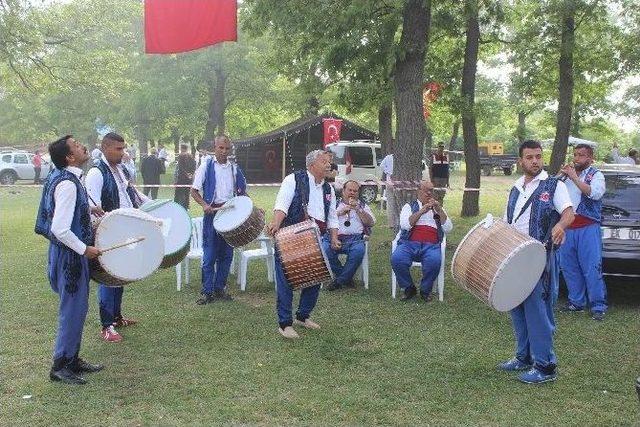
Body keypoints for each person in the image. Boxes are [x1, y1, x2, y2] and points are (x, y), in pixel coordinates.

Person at [498, 139, 574, 384]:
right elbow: (508, 222)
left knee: (538, 311)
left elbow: (569, 213)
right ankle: (524, 357)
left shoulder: (554, 186)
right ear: (521, 161)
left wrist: (561, 226)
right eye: (529, 157)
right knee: (517, 306)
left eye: (538, 156)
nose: (534, 161)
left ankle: (545, 366)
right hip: (515, 257)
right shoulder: (515, 188)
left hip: (540, 257)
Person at [34, 135, 104, 384]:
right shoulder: (68, 183)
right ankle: (60, 366)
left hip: (66, 254)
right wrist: (85, 249)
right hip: (71, 257)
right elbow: (60, 229)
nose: (82, 146)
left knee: (77, 309)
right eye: (76, 145)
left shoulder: (66, 177)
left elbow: (63, 211)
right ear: (69, 157)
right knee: (72, 311)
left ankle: (72, 359)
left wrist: (88, 209)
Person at [265, 150, 339, 339]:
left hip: (316, 238)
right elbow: (282, 205)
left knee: (315, 276)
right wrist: (276, 224)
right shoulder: (293, 179)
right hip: (291, 236)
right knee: (286, 280)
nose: (328, 164)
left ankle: (302, 316)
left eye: (329, 161)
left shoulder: (328, 189)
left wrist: (334, 237)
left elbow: (332, 218)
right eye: (324, 161)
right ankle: (284, 324)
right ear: (311, 165)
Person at [85, 132, 149, 343]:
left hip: (125, 230)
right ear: (105, 148)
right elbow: (88, 206)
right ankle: (106, 326)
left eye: (124, 148)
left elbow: (133, 196)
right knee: (108, 278)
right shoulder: (96, 173)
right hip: (107, 233)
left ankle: (117, 317)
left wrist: (152, 207)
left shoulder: (121, 170)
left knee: (120, 276)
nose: (123, 153)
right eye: (118, 149)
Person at [191, 135, 247, 304]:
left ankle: (219, 288)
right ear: (214, 148)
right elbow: (194, 191)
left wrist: (249, 207)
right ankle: (207, 291)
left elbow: (242, 193)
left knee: (226, 254)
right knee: (209, 255)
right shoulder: (205, 167)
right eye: (221, 148)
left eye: (227, 148)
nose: (224, 151)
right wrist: (204, 204)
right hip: (212, 214)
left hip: (230, 215)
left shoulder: (235, 169)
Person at [558, 144, 608, 320]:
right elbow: (552, 191)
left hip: (588, 227)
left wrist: (574, 178)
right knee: (569, 267)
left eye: (582, 155)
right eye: (576, 155)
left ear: (590, 158)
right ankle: (576, 302)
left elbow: (594, 193)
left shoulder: (597, 175)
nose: (577, 158)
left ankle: (598, 306)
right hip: (567, 227)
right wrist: (561, 176)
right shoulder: (567, 176)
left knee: (592, 267)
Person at [391, 180, 453, 302]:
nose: (429, 193)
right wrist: (421, 211)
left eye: (432, 190)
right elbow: (405, 225)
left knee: (434, 261)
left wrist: (439, 211)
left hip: (431, 244)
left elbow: (448, 228)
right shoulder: (409, 206)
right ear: (418, 191)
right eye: (426, 190)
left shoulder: (438, 209)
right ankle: (409, 288)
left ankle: (425, 290)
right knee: (397, 259)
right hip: (410, 242)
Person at [323, 180, 375, 291]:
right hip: (334, 236)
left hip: (354, 239)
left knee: (358, 251)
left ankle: (339, 281)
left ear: (358, 193)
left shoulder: (362, 206)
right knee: (325, 249)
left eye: (355, 191)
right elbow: (324, 222)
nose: (352, 193)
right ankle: (346, 278)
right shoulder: (334, 204)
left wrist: (358, 210)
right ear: (343, 191)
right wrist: (339, 213)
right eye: (349, 190)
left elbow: (371, 223)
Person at [379, 147, 397, 230]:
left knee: (391, 203)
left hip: (391, 181)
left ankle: (392, 223)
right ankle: (393, 223)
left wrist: (388, 172)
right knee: (392, 202)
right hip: (392, 182)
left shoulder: (388, 157)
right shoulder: (389, 157)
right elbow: (381, 165)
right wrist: (389, 172)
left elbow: (382, 166)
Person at [174, 144, 197, 209]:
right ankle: (186, 206)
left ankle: (176, 205)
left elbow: (180, 167)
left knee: (178, 193)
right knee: (187, 193)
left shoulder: (181, 156)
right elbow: (194, 166)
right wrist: (191, 174)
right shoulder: (191, 156)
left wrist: (186, 174)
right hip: (189, 179)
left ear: (182, 148)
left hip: (181, 178)